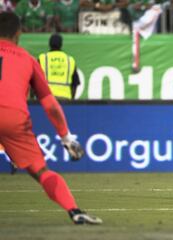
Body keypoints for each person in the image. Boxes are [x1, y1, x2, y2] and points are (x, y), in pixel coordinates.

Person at [0, 12, 102, 224]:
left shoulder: (39, 58)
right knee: (42, 172)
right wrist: (65, 138)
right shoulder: (27, 59)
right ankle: (74, 210)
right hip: (13, 116)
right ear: (19, 32)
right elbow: (50, 106)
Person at [38, 33, 80, 100]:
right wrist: (71, 101)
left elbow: (34, 81)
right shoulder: (70, 60)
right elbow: (75, 84)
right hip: (65, 98)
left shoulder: (42, 58)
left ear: (49, 44)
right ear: (61, 45)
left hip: (46, 98)